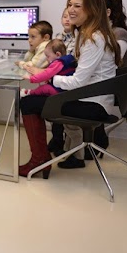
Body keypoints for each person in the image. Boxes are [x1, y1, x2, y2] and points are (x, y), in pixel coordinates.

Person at [19, 0, 119, 177]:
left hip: (93, 105)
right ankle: (41, 158)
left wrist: (49, 77)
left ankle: (39, 160)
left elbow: (78, 82)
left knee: (28, 102)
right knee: (34, 100)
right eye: (70, 4)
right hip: (90, 99)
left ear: (92, 9)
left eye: (77, 6)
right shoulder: (88, 34)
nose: (71, 10)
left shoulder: (93, 39)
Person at [49, 10, 76, 156]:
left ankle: (66, 146)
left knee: (66, 116)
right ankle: (56, 139)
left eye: (70, 17)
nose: (67, 19)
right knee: (55, 112)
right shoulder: (58, 37)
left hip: (68, 79)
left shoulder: (78, 38)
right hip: (56, 78)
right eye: (64, 16)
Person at [103, 0, 127, 68]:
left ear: (108, 12)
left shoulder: (120, 33)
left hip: (118, 74)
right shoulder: (100, 32)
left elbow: (114, 63)